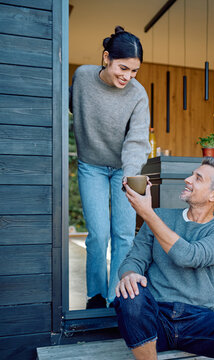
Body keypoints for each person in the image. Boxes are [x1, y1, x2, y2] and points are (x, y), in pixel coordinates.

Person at [113, 157, 214, 360]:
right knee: (130, 292)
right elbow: (134, 259)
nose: (187, 179)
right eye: (192, 174)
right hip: (155, 316)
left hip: (199, 319)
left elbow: (189, 256)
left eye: (198, 178)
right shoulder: (160, 216)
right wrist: (130, 275)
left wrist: (147, 213)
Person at [70, 26, 151, 308]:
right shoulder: (82, 77)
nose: (127, 76)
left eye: (134, 71)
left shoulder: (138, 94)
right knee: (99, 234)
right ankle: (95, 295)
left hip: (122, 169)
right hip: (90, 165)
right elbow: (66, 105)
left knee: (124, 234)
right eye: (123, 67)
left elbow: (137, 140)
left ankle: (117, 297)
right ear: (107, 58)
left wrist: (130, 178)